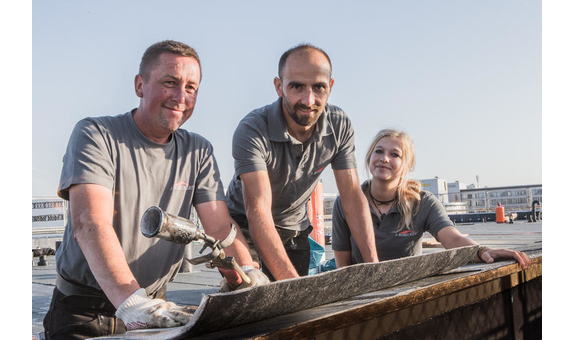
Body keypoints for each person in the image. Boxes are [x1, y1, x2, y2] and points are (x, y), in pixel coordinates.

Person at [43, 40, 267, 340]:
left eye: (191, 87)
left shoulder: (197, 150)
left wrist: (248, 272)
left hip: (155, 307)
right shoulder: (97, 135)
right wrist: (132, 303)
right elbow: (89, 223)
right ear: (139, 85)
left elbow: (220, 227)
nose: (180, 97)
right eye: (169, 83)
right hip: (85, 312)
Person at [226, 43, 379, 282]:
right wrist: (291, 286)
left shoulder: (339, 125)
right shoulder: (253, 129)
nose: (308, 100)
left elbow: (351, 195)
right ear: (279, 86)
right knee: (249, 296)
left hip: (294, 227)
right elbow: (257, 210)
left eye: (318, 88)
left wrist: (374, 269)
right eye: (297, 86)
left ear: (330, 87)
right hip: (243, 225)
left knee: (291, 310)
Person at [332, 128, 531, 269]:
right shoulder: (345, 202)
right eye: (379, 151)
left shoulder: (422, 202)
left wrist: (482, 251)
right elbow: (343, 263)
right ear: (369, 157)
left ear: (407, 166)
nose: (384, 158)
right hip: (363, 292)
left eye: (395, 154)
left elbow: (452, 238)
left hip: (406, 288)